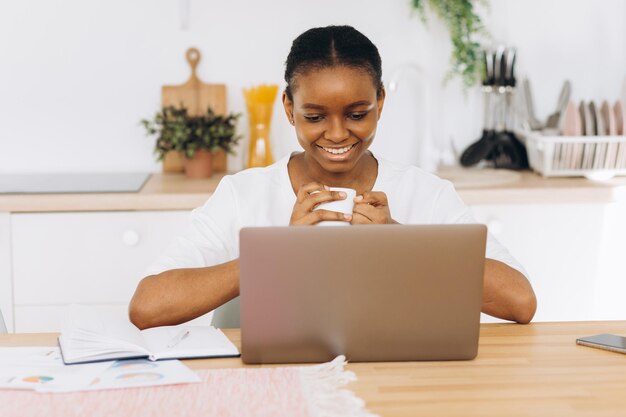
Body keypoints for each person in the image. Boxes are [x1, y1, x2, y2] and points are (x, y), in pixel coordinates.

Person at [129, 25, 537, 330]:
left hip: (400, 384)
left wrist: (402, 242)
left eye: (357, 114)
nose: (338, 133)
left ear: (380, 102)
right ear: (288, 108)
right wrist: (278, 255)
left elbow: (520, 302)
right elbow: (147, 307)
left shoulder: (426, 194)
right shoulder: (243, 195)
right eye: (314, 116)